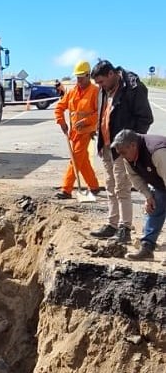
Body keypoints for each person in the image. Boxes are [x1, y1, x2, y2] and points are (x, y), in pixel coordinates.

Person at [89, 60, 154, 244]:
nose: (99, 86)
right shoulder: (104, 89)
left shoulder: (133, 88)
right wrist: (100, 137)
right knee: (110, 186)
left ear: (111, 74)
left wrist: (131, 144)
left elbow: (145, 118)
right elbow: (103, 114)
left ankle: (125, 228)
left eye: (101, 81)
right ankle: (112, 224)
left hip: (123, 149)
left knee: (122, 188)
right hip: (107, 147)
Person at [110, 130, 166, 261]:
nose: (121, 156)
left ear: (133, 145)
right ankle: (147, 248)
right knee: (154, 207)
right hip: (161, 183)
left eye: (123, 152)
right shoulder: (128, 157)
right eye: (119, 153)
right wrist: (148, 196)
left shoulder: (157, 152)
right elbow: (134, 177)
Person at [53, 61, 102, 199]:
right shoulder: (72, 92)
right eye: (77, 77)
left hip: (87, 132)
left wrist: (86, 121)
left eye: (81, 77)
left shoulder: (95, 92)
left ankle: (66, 189)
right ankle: (94, 186)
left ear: (88, 75)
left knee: (75, 159)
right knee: (83, 160)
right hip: (74, 133)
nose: (78, 80)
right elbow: (59, 107)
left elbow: (100, 113)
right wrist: (61, 122)